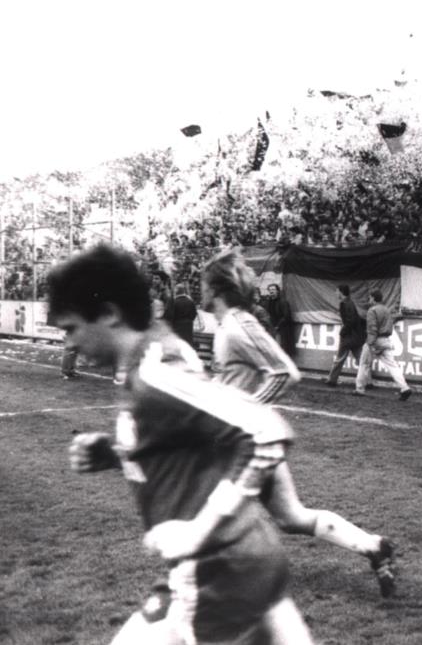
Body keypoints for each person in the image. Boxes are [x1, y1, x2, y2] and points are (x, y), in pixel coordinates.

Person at [54, 244, 315, 644]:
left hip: (217, 570)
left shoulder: (156, 371)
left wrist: (199, 530)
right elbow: (195, 442)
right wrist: (117, 452)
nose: (69, 343)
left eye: (71, 328)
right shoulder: (154, 355)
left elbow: (266, 431)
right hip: (230, 559)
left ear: (108, 313)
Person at [202, 251, 397, 597]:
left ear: (216, 288)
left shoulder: (239, 324)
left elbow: (284, 372)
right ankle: (373, 545)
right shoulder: (227, 326)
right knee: (291, 518)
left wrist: (244, 411)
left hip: (246, 439)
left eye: (204, 283)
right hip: (251, 437)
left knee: (213, 510)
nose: (199, 288)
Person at [353, 288, 412, 400]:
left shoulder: (372, 310)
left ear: (373, 298)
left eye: (370, 298)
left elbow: (372, 329)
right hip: (386, 340)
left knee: (364, 364)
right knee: (392, 365)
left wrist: (370, 344)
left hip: (374, 340)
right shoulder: (386, 310)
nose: (369, 300)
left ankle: (359, 389)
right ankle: (405, 388)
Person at [323, 284, 367, 387]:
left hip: (348, 336)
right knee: (360, 359)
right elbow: (356, 319)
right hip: (356, 336)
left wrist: (342, 332)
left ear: (341, 292)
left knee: (339, 358)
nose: (336, 293)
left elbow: (350, 321)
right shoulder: (350, 302)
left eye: (337, 291)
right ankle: (368, 381)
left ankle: (332, 380)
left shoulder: (344, 304)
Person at [265, 283, 296, 358]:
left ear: (277, 291)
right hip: (272, 328)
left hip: (281, 329)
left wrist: (277, 326)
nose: (271, 291)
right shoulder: (268, 302)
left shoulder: (283, 302)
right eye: (270, 290)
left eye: (273, 289)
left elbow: (286, 316)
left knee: (280, 348)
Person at [168, 283, 198, 347]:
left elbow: (171, 316)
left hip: (177, 327)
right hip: (188, 327)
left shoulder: (174, 302)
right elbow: (194, 314)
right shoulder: (190, 301)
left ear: (176, 292)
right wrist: (189, 320)